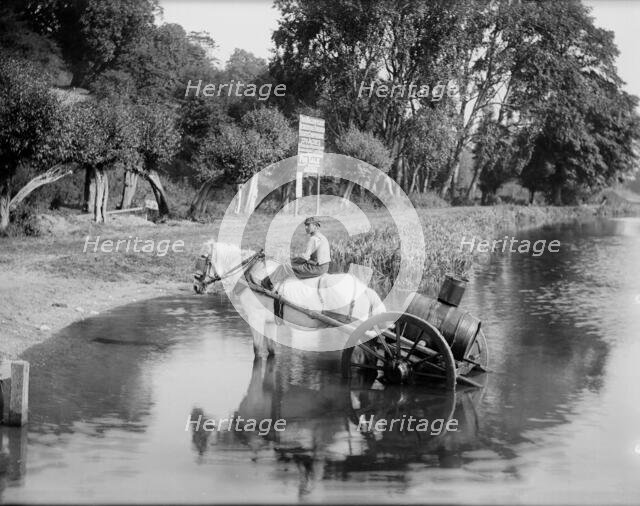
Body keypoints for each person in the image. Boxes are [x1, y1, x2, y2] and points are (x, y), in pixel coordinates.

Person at [261, 217, 331, 291]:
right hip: (324, 267)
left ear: (315, 226)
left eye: (308, 225)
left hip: (316, 268)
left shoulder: (313, 239)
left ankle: (267, 284)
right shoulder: (322, 237)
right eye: (305, 225)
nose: (306, 227)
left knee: (285, 267)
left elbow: (304, 258)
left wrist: (291, 260)